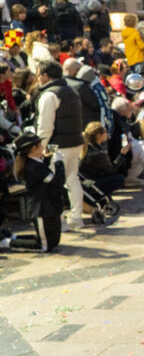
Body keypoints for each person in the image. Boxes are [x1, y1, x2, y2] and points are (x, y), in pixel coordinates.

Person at [33, 60, 84, 229]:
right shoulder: (72, 91)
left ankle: (59, 221)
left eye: (39, 74)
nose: (37, 78)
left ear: (46, 76)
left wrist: (39, 147)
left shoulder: (49, 95)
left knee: (55, 184)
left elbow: (45, 126)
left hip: (57, 146)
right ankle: (77, 218)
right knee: (72, 180)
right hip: (75, 142)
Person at [7, 132, 65, 252]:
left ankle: (12, 237)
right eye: (40, 145)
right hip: (42, 210)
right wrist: (59, 164)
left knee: (54, 242)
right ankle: (8, 243)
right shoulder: (32, 167)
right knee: (45, 246)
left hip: (50, 208)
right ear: (33, 148)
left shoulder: (36, 162)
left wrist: (48, 159)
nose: (43, 147)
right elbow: (57, 182)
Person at [78, 121, 126, 197]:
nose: (107, 134)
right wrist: (122, 154)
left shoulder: (88, 147)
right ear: (98, 135)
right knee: (120, 179)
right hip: (89, 183)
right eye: (105, 132)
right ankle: (98, 196)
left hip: (85, 180)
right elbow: (111, 170)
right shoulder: (95, 153)